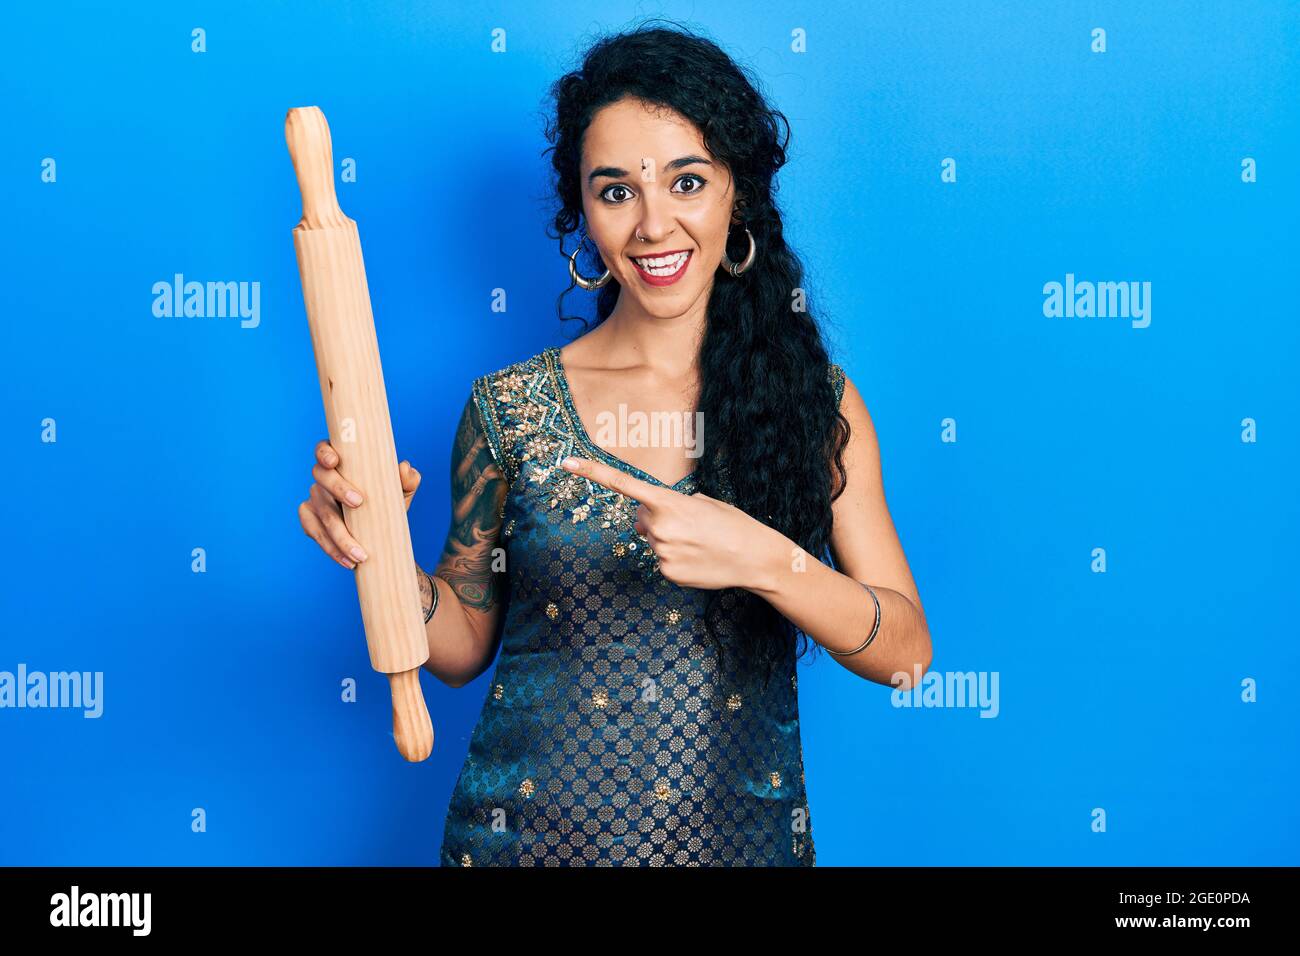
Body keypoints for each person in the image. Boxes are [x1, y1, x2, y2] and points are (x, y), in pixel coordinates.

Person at [297, 21, 931, 866]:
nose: (654, 224)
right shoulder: (508, 409)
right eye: (616, 191)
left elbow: (907, 657)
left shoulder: (816, 405)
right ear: (583, 215)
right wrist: (382, 558)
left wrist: (762, 556)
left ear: (736, 195)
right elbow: (458, 648)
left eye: (687, 181)